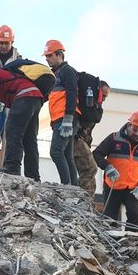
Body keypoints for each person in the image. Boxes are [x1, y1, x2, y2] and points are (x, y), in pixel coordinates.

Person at [92, 111, 138, 229]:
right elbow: (97, 154)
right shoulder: (114, 138)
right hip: (113, 186)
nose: (137, 133)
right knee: (109, 219)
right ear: (129, 125)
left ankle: (130, 242)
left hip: (132, 189)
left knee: (134, 216)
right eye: (135, 129)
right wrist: (107, 167)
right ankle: (109, 242)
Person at [44, 40, 80, 185]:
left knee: (56, 152)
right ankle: (73, 188)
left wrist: (68, 118)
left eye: (49, 55)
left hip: (65, 118)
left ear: (59, 55)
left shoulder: (67, 71)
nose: (47, 59)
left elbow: (72, 93)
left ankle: (67, 186)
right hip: (60, 119)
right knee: (67, 155)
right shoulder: (55, 74)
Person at [74, 81, 110, 196]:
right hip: (76, 138)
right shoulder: (86, 103)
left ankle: (87, 199)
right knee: (90, 169)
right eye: (103, 95)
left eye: (106, 96)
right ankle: (84, 199)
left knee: (89, 171)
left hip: (83, 140)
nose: (104, 99)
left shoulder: (96, 108)